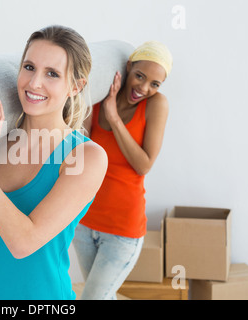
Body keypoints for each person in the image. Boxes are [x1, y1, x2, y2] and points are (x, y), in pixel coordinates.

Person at [0, 25, 107, 300]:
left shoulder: (86, 156)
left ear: (76, 86)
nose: (34, 83)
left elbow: (23, 243)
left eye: (52, 74)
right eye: (29, 67)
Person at [73, 41, 173, 300]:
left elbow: (144, 164)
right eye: (139, 76)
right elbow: (80, 150)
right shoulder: (99, 97)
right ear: (128, 68)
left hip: (122, 232)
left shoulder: (156, 105)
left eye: (155, 83)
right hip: (84, 223)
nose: (144, 88)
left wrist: (114, 118)